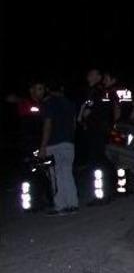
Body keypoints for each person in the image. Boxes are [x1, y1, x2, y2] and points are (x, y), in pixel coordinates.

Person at [39, 80, 79, 216]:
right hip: (68, 142)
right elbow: (74, 123)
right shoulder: (69, 103)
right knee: (66, 173)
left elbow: (48, 124)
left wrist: (43, 145)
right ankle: (72, 204)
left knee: (55, 176)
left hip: (54, 143)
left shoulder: (49, 102)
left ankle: (60, 206)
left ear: (48, 89)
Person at [5, 80, 46, 157]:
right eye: (39, 89)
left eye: (43, 89)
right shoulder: (25, 102)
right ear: (31, 90)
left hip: (41, 141)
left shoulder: (44, 104)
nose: (42, 91)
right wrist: (19, 100)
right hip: (28, 142)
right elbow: (9, 98)